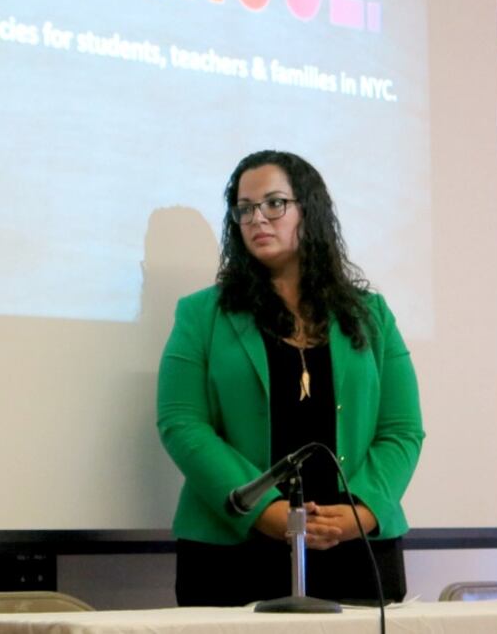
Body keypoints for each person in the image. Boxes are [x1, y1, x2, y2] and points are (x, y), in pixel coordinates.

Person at [156, 150, 423, 606]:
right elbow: (181, 423)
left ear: (310, 210)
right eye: (244, 209)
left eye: (274, 204)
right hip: (232, 549)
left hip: (355, 547)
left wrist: (361, 510)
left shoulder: (370, 315)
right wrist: (266, 511)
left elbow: (401, 431)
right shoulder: (201, 315)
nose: (257, 218)